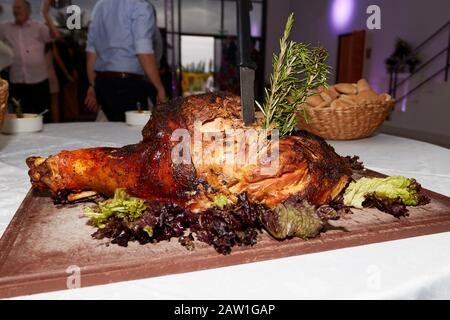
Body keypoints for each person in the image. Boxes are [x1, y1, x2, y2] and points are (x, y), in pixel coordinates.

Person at [85, 0, 167, 122]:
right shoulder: (140, 5)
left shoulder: (100, 5)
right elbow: (143, 50)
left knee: (108, 132)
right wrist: (159, 88)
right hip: (129, 85)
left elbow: (91, 51)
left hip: (103, 84)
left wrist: (92, 85)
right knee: (135, 134)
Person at [0, 0, 60, 122]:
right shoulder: (5, 27)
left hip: (39, 81)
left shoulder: (38, 27)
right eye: (14, 8)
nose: (16, 10)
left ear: (28, 11)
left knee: (42, 117)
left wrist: (45, 14)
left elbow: (56, 36)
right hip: (17, 81)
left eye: (19, 8)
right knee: (20, 117)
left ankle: (46, 141)